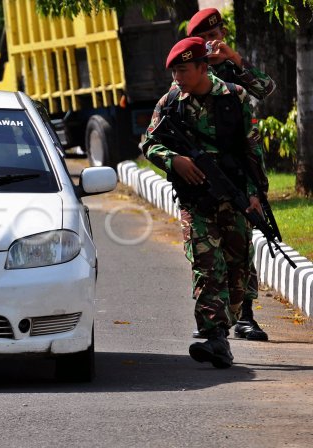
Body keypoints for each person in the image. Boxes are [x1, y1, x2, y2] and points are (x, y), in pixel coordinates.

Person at [141, 37, 266, 369]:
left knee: (238, 266)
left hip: (233, 194)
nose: (178, 77)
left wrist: (255, 194)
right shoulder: (170, 102)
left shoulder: (235, 98)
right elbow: (149, 143)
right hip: (195, 200)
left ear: (202, 67)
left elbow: (252, 151)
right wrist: (174, 160)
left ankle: (228, 322)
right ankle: (215, 336)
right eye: (175, 71)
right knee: (206, 264)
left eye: (183, 70)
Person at [187, 7, 275, 341]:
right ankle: (211, 319)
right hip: (203, 177)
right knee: (206, 252)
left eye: (216, 35)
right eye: (205, 38)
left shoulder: (233, 69)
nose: (212, 43)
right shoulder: (189, 71)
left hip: (240, 173)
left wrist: (236, 60)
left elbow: (266, 89)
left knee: (241, 248)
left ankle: (246, 316)